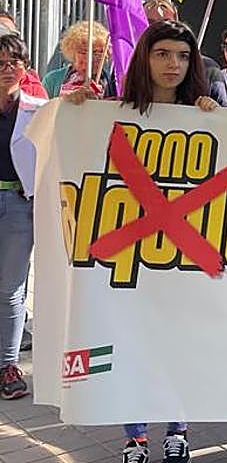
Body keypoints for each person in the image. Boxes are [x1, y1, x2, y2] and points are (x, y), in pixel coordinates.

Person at [64, 20, 218, 463]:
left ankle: (177, 427)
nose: (174, 65)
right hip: (130, 255)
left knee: (177, 343)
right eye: (163, 54)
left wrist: (216, 117)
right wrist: (77, 110)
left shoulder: (207, 111)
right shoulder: (112, 111)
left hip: (184, 255)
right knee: (130, 342)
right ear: (145, 58)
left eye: (184, 56)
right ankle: (135, 436)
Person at [0, 33, 45, 403]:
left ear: (25, 68)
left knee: (11, 288)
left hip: (18, 203)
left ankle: (8, 365)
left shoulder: (37, 109)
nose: (6, 70)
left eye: (13, 63)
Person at [42, 20, 116, 98]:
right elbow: (44, 108)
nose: (90, 58)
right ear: (73, 52)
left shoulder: (111, 84)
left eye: (96, 52)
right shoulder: (52, 80)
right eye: (83, 52)